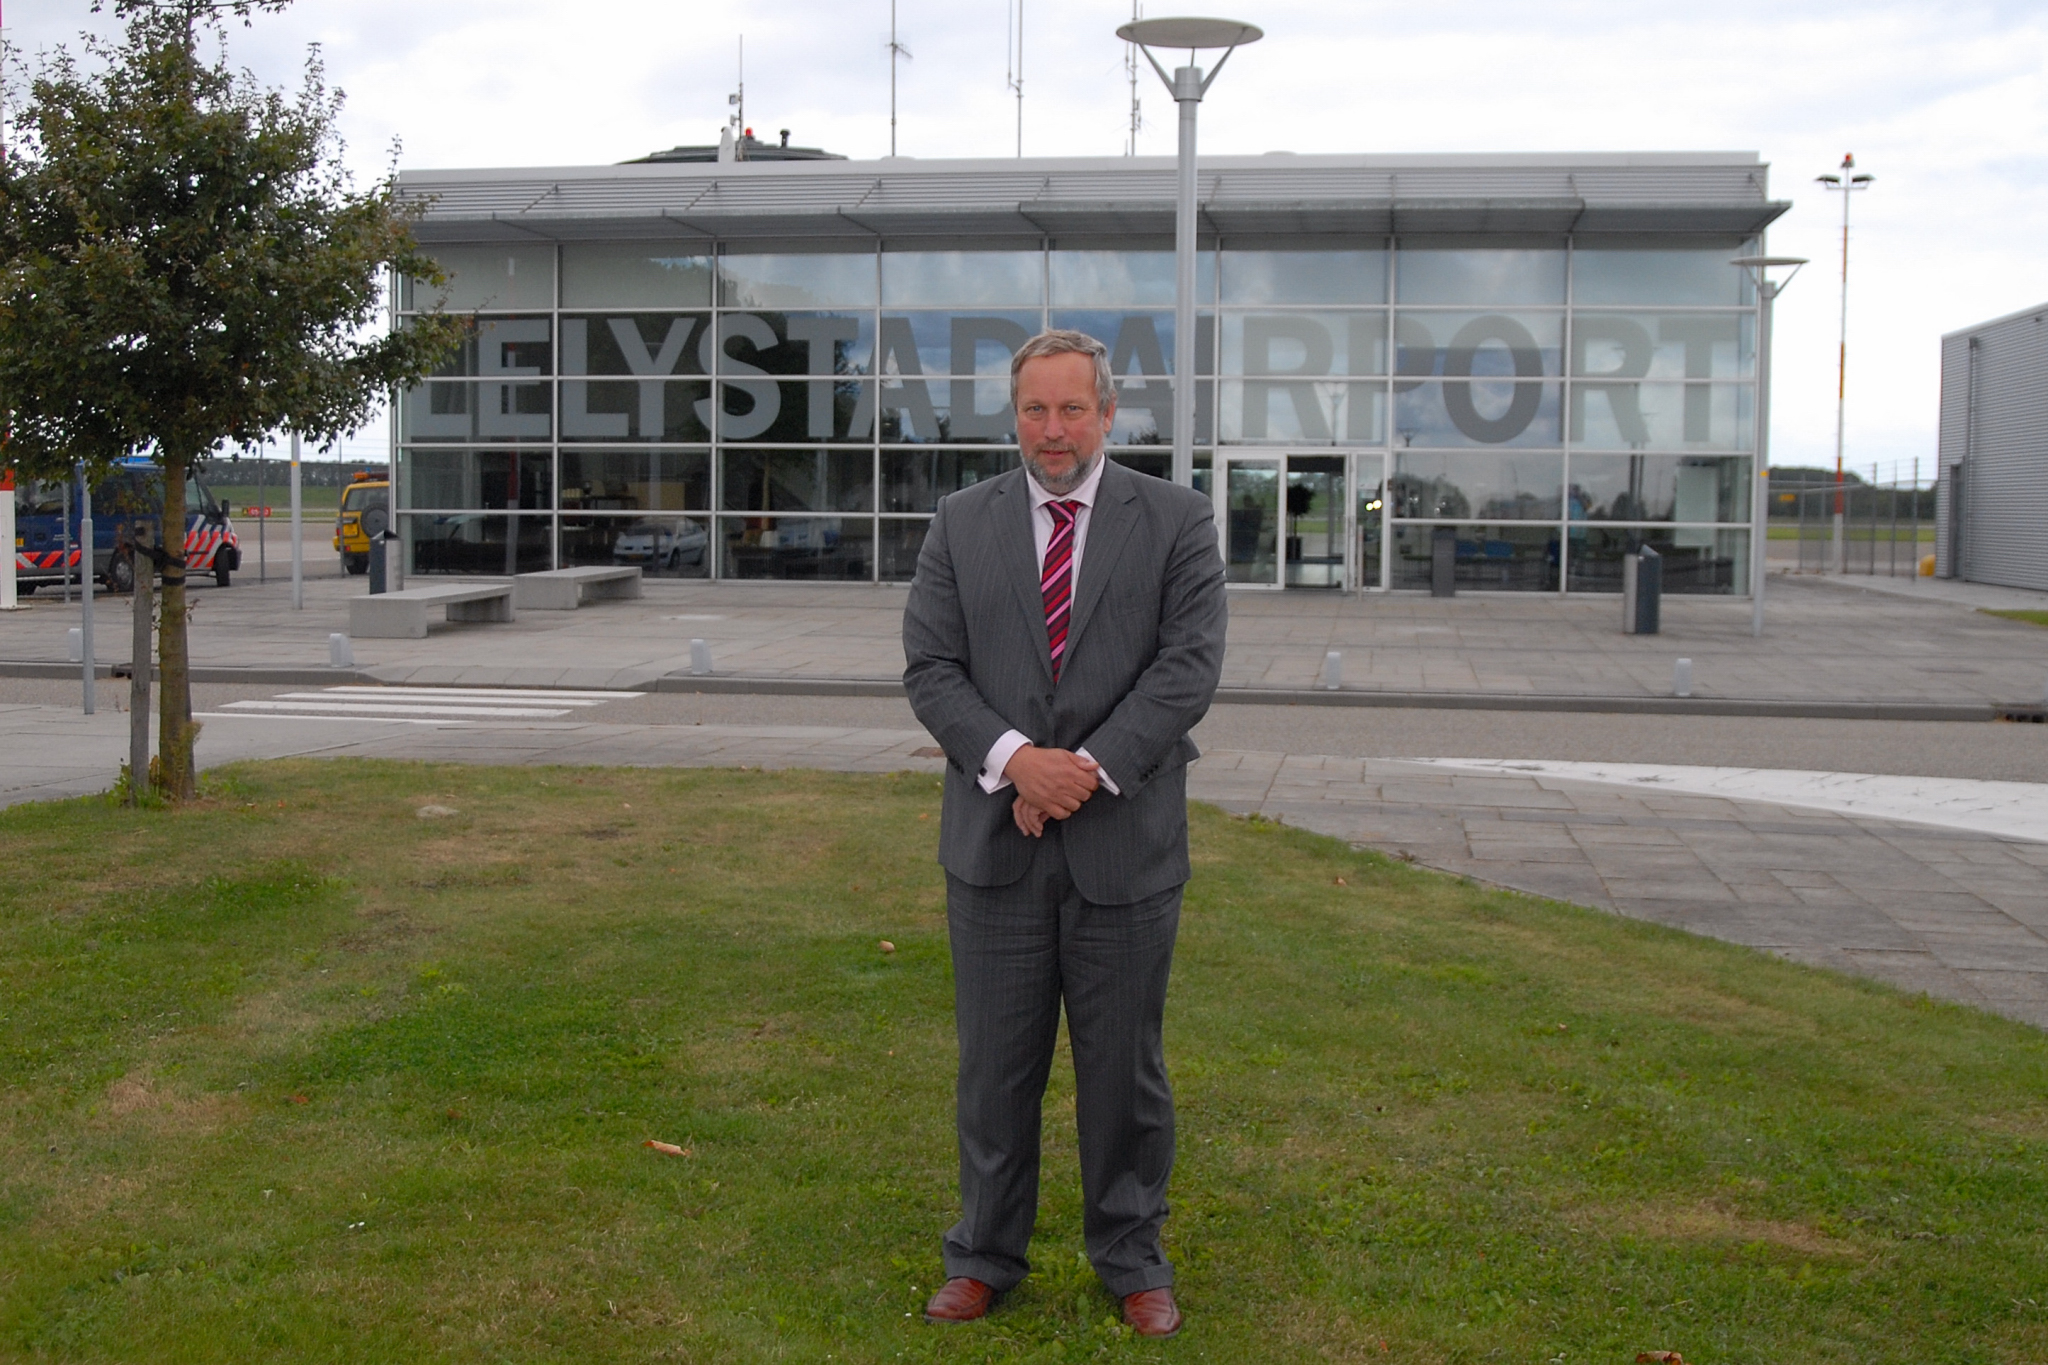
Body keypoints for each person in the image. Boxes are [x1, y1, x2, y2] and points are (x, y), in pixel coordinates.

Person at [901, 329, 1227, 1338]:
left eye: (1071, 409)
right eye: (1035, 410)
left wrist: (1074, 774)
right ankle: (985, 1257)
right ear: (1015, 415)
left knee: (1122, 1070)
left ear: (1106, 413)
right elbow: (931, 669)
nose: (1052, 430)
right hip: (994, 852)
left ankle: (1130, 1257)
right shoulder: (960, 523)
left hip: (1122, 847)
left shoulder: (1174, 520)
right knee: (993, 1069)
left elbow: (1184, 669)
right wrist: (1014, 760)